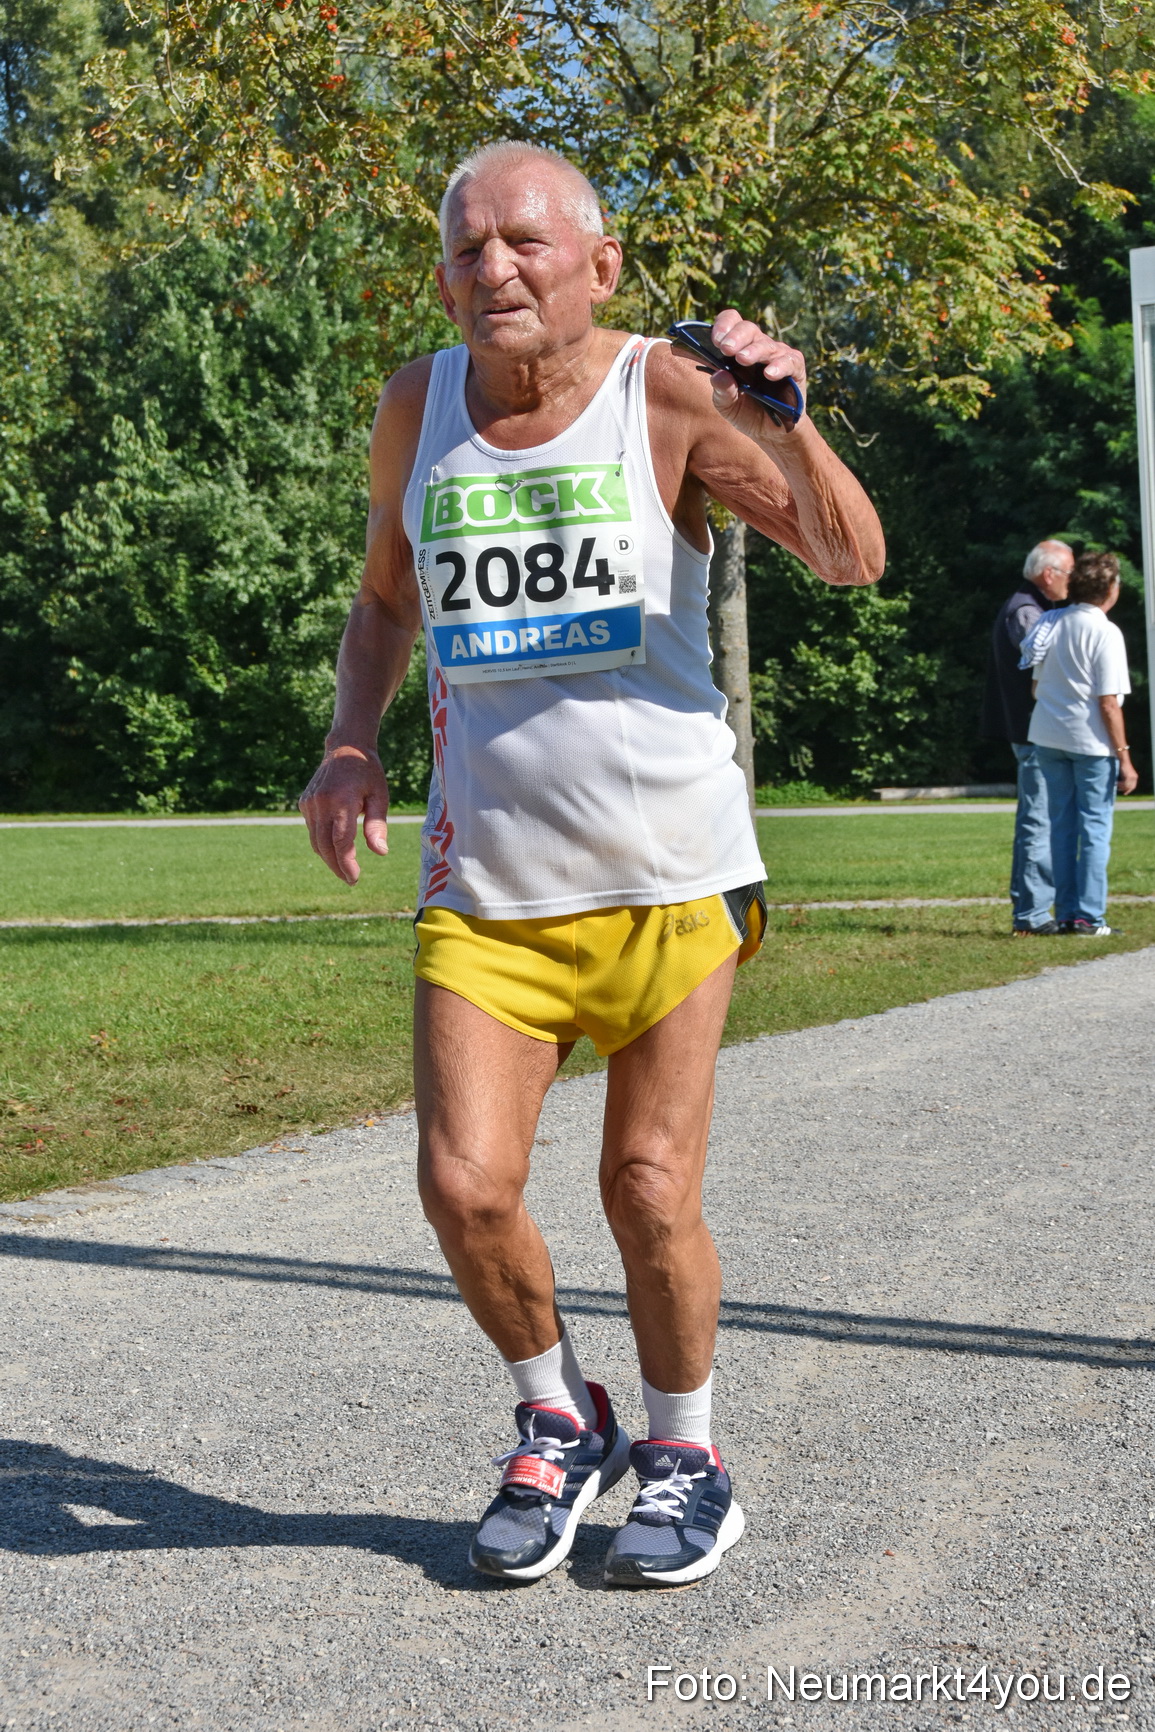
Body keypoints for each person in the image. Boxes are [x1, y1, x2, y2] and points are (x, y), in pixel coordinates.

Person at [299, 141, 884, 1588]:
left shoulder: (664, 393)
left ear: (599, 266)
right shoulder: (415, 407)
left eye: (523, 244)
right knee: (463, 1187)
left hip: (672, 873)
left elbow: (850, 558)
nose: (491, 268)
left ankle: (686, 1454)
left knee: (643, 1184)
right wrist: (348, 743)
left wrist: (788, 422)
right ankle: (559, 1416)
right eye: (463, 249)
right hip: (486, 885)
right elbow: (384, 596)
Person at [1027, 550, 1137, 936]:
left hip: (1047, 735)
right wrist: (1125, 757)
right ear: (1109, 589)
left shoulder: (1052, 621)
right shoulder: (1105, 631)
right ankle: (1089, 917)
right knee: (1094, 829)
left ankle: (1067, 913)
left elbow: (1037, 686)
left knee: (1061, 827)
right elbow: (1108, 703)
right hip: (1089, 742)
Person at [981, 540, 1073, 935]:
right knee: (1038, 820)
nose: (1073, 581)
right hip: (1034, 732)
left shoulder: (1029, 604)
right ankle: (1033, 914)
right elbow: (1045, 661)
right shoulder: (1026, 610)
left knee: (1034, 818)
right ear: (1048, 574)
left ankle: (1029, 910)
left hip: (1032, 730)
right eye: (1069, 573)